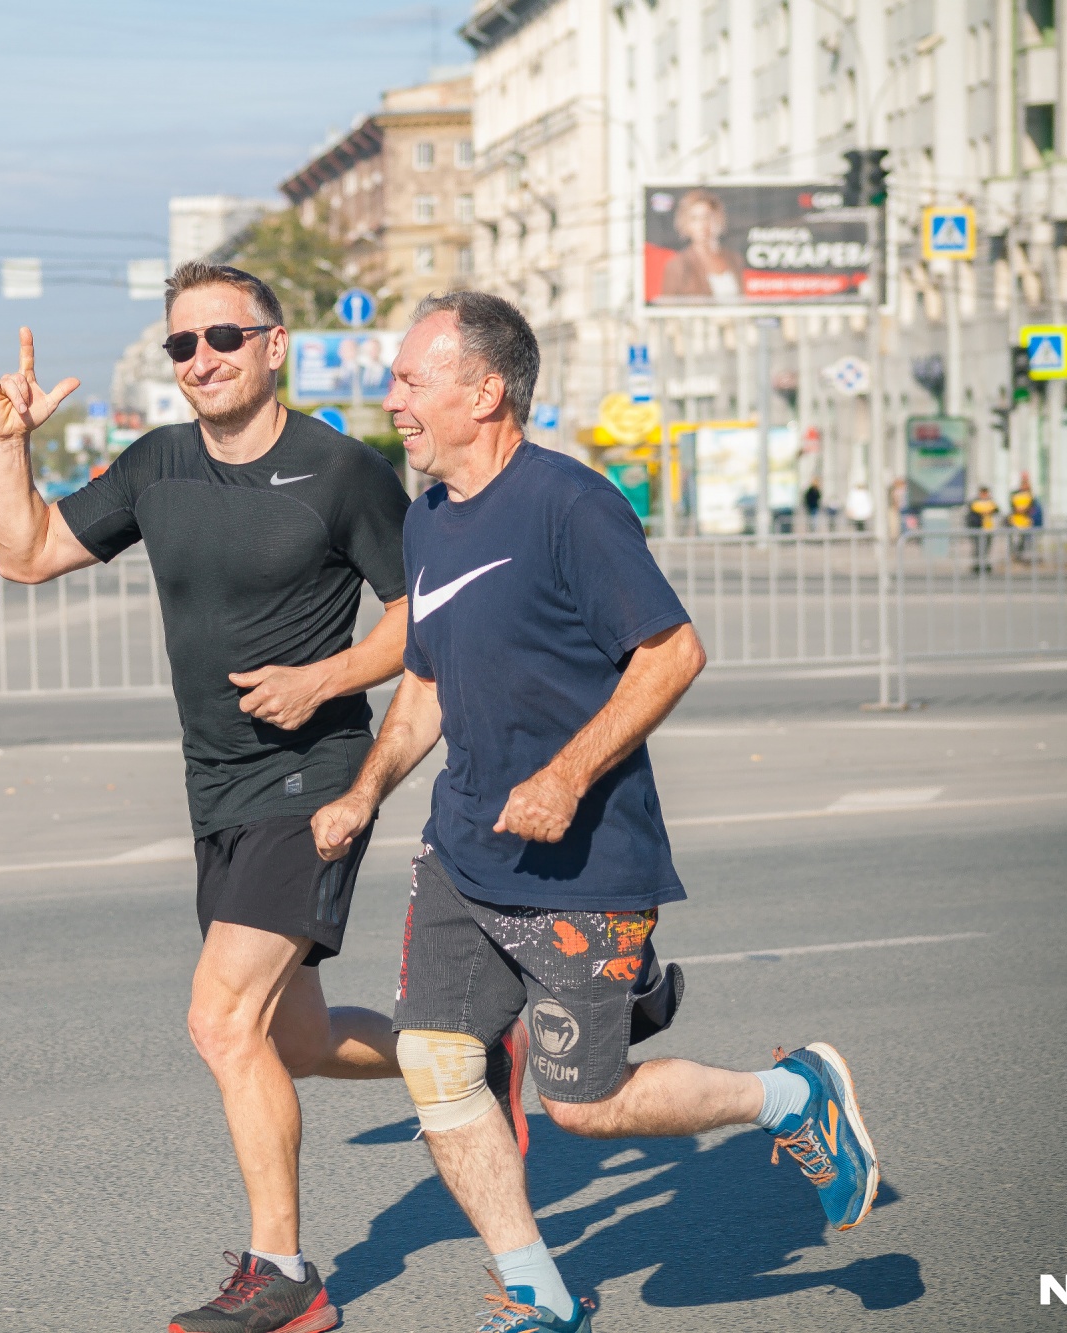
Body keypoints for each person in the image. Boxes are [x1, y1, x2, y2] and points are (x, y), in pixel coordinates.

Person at [312, 292, 881, 1333]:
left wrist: (569, 774)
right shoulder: (427, 517)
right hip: (460, 850)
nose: (389, 396)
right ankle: (536, 1290)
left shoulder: (568, 504)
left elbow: (671, 653)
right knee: (434, 1062)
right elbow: (429, 683)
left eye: (409, 378)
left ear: (481, 391)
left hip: (582, 863)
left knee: (582, 1102)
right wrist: (363, 791)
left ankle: (791, 1095)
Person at [0, 261, 422, 1333]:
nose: (201, 360)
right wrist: (11, 446)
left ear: (275, 346)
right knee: (295, 1042)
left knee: (221, 1022)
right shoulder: (156, 464)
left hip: (311, 778)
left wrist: (326, 678)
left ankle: (285, 1278)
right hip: (215, 786)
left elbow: (427, 611)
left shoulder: (340, 471)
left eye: (222, 337)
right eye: (182, 344)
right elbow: (28, 553)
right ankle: (469, 1054)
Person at [657, 188, 747, 300]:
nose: (702, 224)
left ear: (718, 219)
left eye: (707, 217)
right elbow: (667, 310)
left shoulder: (734, 259)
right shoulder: (677, 265)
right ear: (686, 224)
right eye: (695, 219)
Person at [967, 485, 1001, 574]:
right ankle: (977, 565)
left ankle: (984, 565)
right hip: (977, 529)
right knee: (978, 548)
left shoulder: (990, 502)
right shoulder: (975, 502)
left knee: (986, 548)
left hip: (988, 528)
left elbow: (996, 510)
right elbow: (972, 515)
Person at [1008, 475, 1038, 561]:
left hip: (1026, 521)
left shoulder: (1030, 496)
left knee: (1024, 540)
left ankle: (1021, 556)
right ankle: (1015, 555)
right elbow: (1012, 507)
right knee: (1015, 540)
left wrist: (1026, 510)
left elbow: (1033, 508)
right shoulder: (1015, 495)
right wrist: (1018, 510)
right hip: (1016, 521)